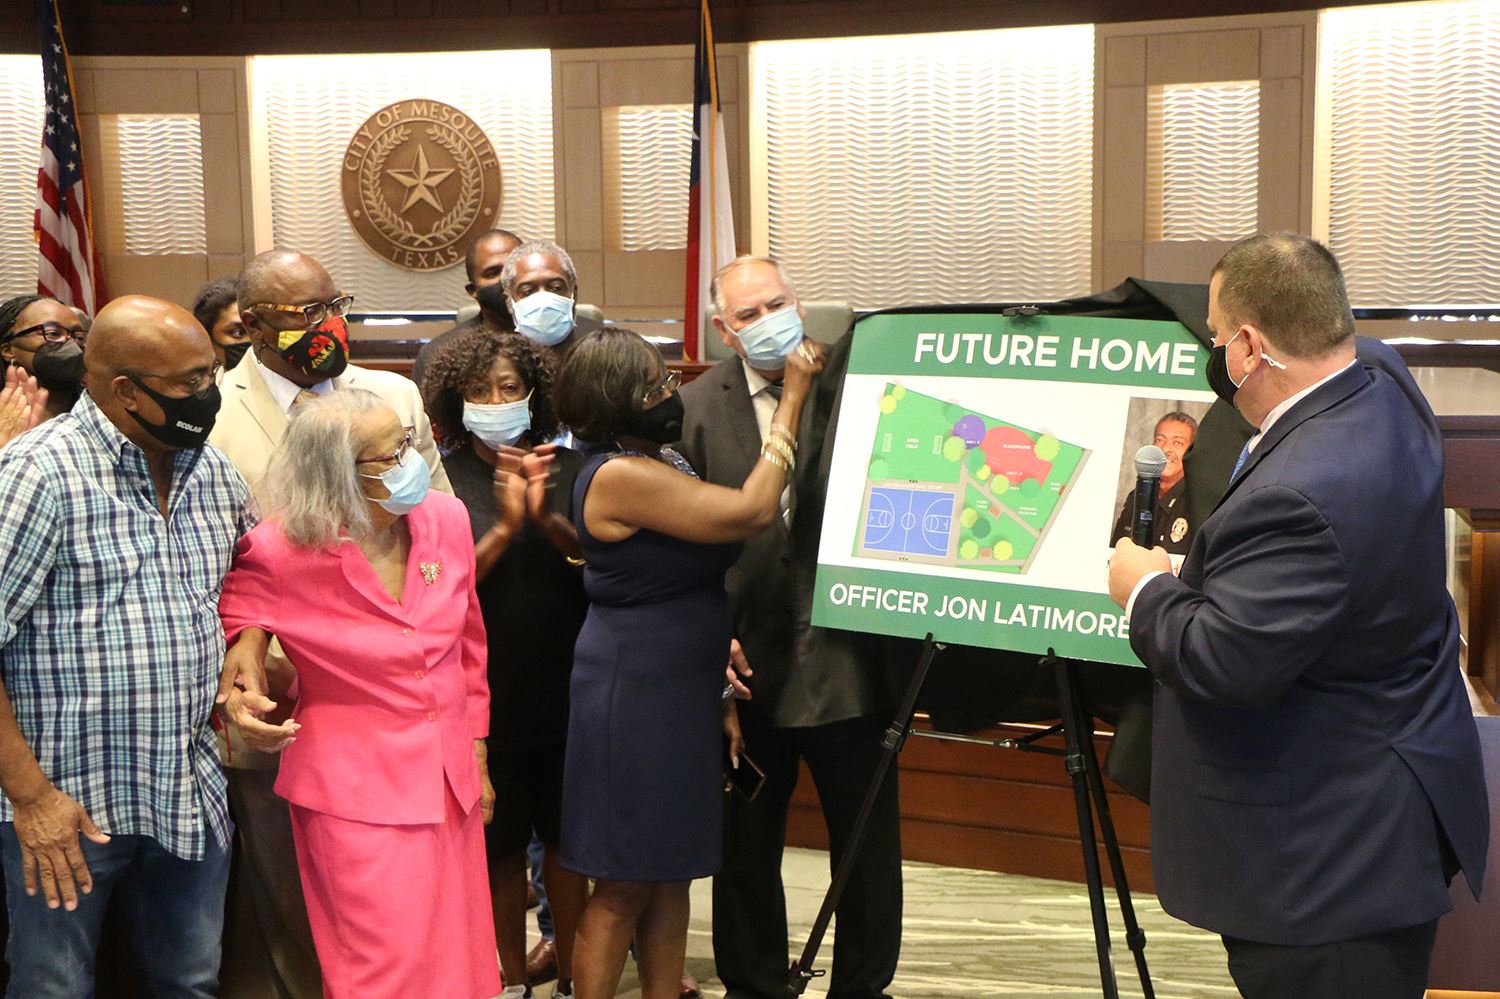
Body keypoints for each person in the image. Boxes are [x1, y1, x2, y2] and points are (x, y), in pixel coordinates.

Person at [1108, 233, 1489, 999]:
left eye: (1218, 338)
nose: (1215, 353)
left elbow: (1223, 660)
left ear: (1250, 347)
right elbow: (1318, 588)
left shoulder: (1304, 492)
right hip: (1390, 794)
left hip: (1324, 869)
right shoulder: (1380, 376)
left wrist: (1146, 588)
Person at [546, 326, 822, 999]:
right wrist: (792, 397)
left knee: (672, 872)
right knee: (622, 882)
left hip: (682, 684)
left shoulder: (664, 457)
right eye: (653, 386)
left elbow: (685, 583)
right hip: (632, 694)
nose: (669, 393)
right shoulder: (618, 473)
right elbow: (752, 509)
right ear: (615, 402)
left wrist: (720, 694)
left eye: (667, 379)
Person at [208, 247, 451, 999]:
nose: (329, 325)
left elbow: (439, 526)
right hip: (287, 704)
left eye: (334, 304)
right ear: (249, 325)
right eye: (304, 313)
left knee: (414, 919)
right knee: (299, 913)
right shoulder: (212, 416)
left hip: (407, 713)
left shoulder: (394, 398)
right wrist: (249, 639)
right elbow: (219, 566)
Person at [0, 294, 251, 997]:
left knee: (190, 980)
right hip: (66, 803)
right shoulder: (38, 475)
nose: (211, 394)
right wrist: (32, 798)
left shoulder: (210, 469)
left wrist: (249, 647)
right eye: (190, 383)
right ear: (122, 390)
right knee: (56, 987)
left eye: (212, 373)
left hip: (185, 789)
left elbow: (252, 585)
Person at [216, 389, 499, 999]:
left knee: (462, 954)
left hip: (450, 780)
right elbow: (234, 610)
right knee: (381, 965)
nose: (409, 458)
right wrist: (247, 643)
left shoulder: (445, 520)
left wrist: (476, 745)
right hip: (353, 789)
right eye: (389, 454)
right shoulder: (279, 549)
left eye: (406, 442)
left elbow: (468, 644)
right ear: (337, 476)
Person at [678, 256, 903, 999]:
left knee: (865, 848)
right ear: (723, 328)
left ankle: (861, 988)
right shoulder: (695, 407)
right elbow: (683, 545)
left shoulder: (858, 389)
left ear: (799, 303)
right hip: (744, 665)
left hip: (849, 656)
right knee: (745, 850)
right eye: (748, 314)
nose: (769, 320)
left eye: (778, 303)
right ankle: (756, 985)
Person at [422, 328, 590, 999]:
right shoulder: (444, 480)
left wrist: (546, 517)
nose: (496, 401)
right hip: (482, 695)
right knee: (496, 848)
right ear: (456, 401)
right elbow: (438, 593)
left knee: (567, 845)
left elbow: (601, 571)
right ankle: (511, 980)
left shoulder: (569, 470)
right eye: (480, 391)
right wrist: (500, 529)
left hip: (569, 683)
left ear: (535, 396)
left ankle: (576, 975)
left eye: (510, 389)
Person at [412, 228, 523, 386]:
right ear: (473, 291)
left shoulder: (558, 339)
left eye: (514, 268)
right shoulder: (439, 354)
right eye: (493, 273)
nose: (506, 279)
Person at [1110, 410, 1198, 553]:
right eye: (1159, 440)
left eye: (1177, 442)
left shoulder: (1197, 501)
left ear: (1191, 450)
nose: (1165, 449)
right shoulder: (1137, 496)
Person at [500, 239, 605, 359]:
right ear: (509, 301)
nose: (543, 300)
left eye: (555, 288)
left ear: (574, 294)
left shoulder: (603, 353)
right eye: (528, 291)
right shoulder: (499, 366)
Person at [0, 295, 86, 419]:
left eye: (78, 337)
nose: (71, 344)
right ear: (8, 350)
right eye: (53, 333)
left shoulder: (103, 410)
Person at [191, 274, 253, 373]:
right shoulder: (200, 386)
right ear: (208, 338)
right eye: (238, 333)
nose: (252, 339)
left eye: (257, 328)